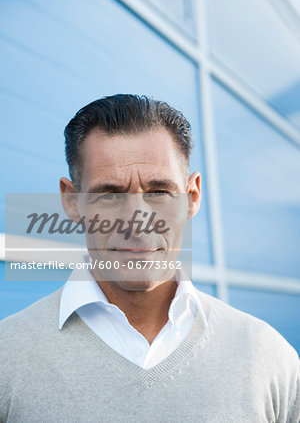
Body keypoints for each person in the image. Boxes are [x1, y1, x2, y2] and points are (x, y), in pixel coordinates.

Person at [0, 94, 299, 422]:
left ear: (192, 197)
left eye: (158, 192)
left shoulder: (268, 357)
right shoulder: (7, 357)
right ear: (71, 202)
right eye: (110, 193)